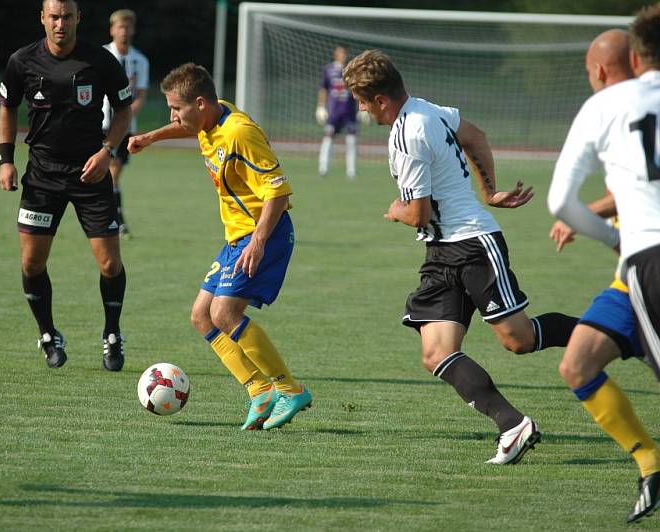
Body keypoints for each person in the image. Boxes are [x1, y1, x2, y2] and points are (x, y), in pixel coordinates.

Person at [343, 49, 579, 465]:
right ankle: (513, 424)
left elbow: (418, 212)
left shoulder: (407, 134)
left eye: (363, 101)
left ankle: (614, 333)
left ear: (381, 99)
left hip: (472, 245)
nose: (361, 110)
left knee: (518, 340)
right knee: (436, 352)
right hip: (441, 252)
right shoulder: (427, 110)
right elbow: (476, 135)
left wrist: (397, 211)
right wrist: (489, 190)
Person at [128, 63, 311, 430]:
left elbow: (278, 190)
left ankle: (290, 389)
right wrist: (150, 138)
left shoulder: (240, 133)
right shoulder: (209, 116)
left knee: (225, 313)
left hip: (265, 233)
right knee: (201, 315)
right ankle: (259, 391)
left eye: (176, 108)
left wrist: (258, 242)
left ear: (199, 103)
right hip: (235, 237)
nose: (172, 115)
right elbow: (183, 126)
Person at [548, 8, 660, 522]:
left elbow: (559, 201)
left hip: (646, 259)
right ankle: (651, 464)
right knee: (577, 363)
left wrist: (609, 235)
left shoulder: (605, 105)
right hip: (632, 270)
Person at [0, 0, 133, 372]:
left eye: (67, 16)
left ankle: (112, 334)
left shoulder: (101, 62)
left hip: (91, 174)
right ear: (43, 18)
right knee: (31, 260)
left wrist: (108, 151)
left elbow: (124, 109)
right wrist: (6, 159)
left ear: (78, 18)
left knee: (109, 263)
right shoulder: (21, 61)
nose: (60, 24)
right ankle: (47, 334)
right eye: (54, 17)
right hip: (42, 177)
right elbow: (7, 107)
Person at [102, 8, 149, 238]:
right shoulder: (101, 56)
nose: (124, 31)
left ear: (133, 30)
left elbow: (140, 95)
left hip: (124, 127)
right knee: (104, 174)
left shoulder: (140, 61)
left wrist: (125, 116)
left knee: (112, 174)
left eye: (127, 26)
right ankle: (115, 220)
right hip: (99, 124)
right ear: (112, 29)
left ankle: (114, 220)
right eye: (120, 26)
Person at [316, 44, 364, 180]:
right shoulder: (328, 69)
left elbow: (359, 88)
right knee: (328, 137)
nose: (343, 55)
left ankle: (351, 171)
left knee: (352, 140)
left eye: (345, 53)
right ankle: (323, 168)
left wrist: (363, 106)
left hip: (349, 112)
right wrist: (320, 106)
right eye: (340, 53)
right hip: (334, 112)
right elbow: (323, 88)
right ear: (336, 54)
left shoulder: (353, 69)